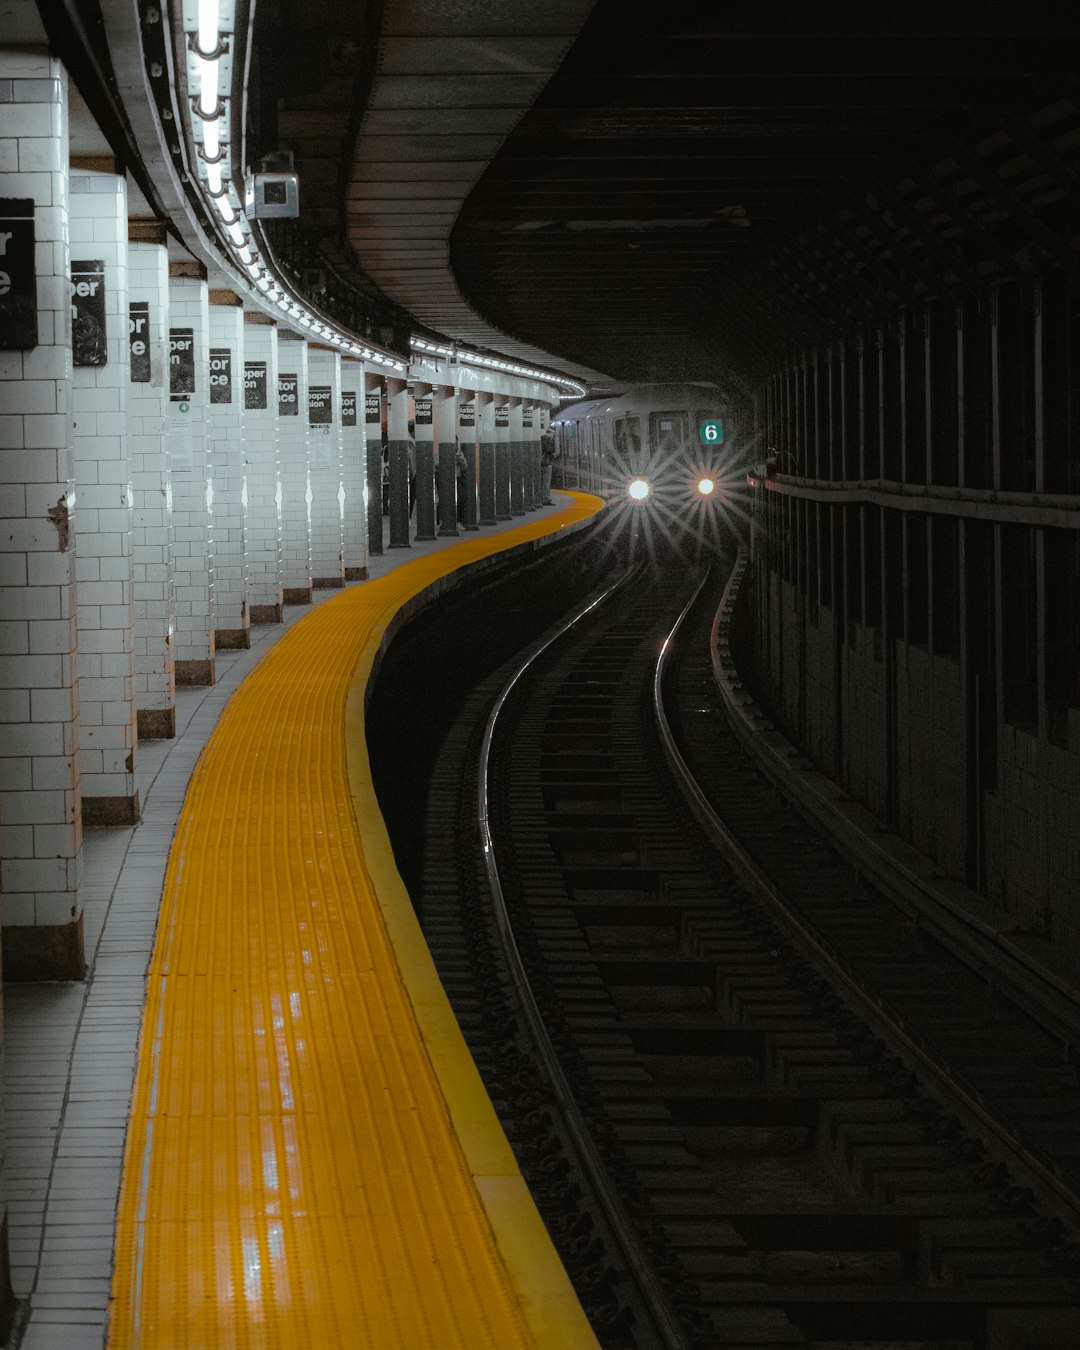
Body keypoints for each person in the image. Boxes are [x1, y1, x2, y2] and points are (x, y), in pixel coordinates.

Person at [540, 429, 558, 505]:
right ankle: (546, 499)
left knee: (544, 483)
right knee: (546, 483)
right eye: (553, 434)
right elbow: (549, 450)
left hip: (542, 463)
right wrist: (553, 454)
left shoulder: (542, 439)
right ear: (550, 433)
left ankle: (545, 498)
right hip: (546, 463)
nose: (553, 436)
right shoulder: (546, 439)